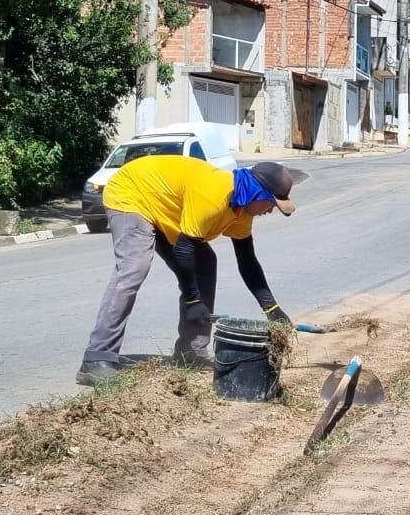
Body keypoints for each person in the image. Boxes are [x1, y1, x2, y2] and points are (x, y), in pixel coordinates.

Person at [76, 157, 296, 386]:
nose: (271, 210)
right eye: (271, 203)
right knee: (134, 268)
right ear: (256, 193)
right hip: (133, 192)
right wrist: (193, 300)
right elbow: (184, 249)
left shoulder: (242, 210)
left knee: (205, 264)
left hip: (166, 207)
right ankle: (96, 358)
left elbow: (247, 261)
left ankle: (191, 352)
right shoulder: (214, 194)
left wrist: (272, 308)